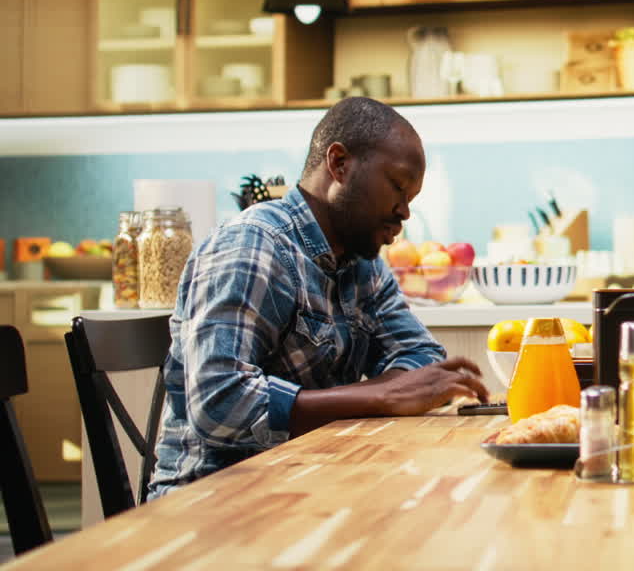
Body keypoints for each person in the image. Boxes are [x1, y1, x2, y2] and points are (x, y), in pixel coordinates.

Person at [148, 97, 488, 498]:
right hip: (208, 501)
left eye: (411, 198)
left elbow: (421, 357)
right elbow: (220, 402)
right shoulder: (254, 245)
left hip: (307, 484)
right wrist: (380, 396)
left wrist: (382, 396)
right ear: (339, 164)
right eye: (397, 186)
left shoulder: (362, 262)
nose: (404, 212)